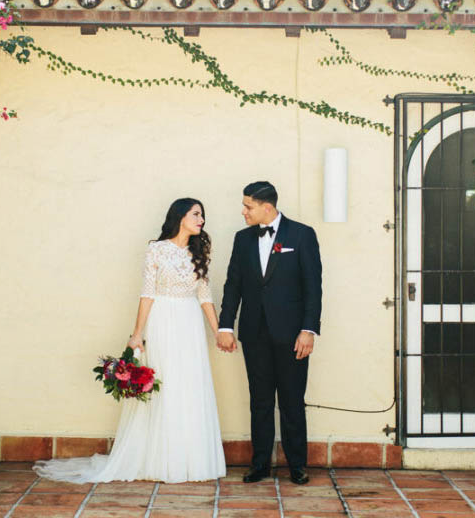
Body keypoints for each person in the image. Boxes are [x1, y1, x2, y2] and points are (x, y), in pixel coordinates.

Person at [34, 198, 226, 483]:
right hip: (163, 320)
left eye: (202, 215)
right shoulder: (156, 250)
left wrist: (218, 331)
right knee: (167, 386)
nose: (202, 220)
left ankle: (191, 460)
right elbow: (147, 292)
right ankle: (161, 460)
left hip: (190, 325)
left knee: (191, 384)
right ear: (180, 217)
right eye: (196, 214)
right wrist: (137, 333)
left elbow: (205, 297)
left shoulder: (198, 254)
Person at [217, 181, 322, 485]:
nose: (243, 211)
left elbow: (312, 287)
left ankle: (297, 465)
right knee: (259, 401)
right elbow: (233, 284)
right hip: (254, 333)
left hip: (292, 335)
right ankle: (260, 463)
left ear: (267, 207)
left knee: (292, 401)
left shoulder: (301, 235)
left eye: (248, 206)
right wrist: (226, 325)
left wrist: (308, 329)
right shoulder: (242, 239)